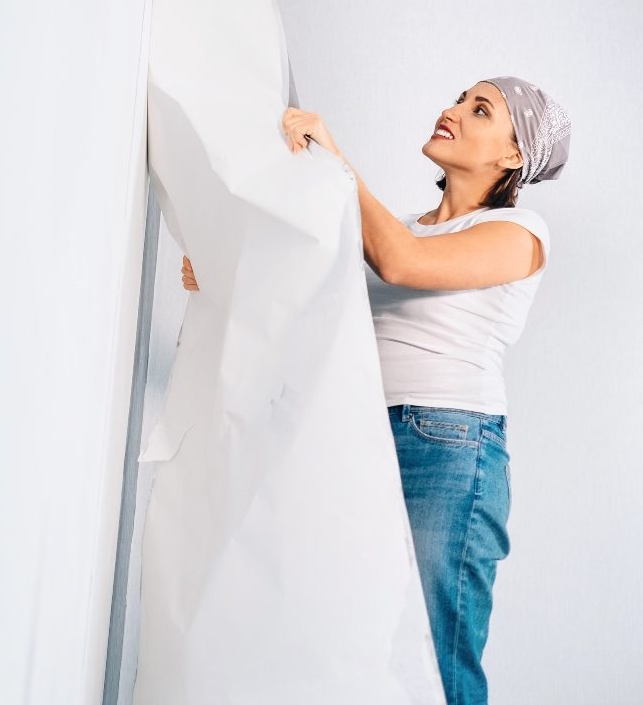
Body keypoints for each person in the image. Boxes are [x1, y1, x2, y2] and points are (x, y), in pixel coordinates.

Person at [179, 76, 571, 705]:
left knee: (434, 660)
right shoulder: (402, 226)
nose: (451, 111)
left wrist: (336, 163)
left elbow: (402, 262)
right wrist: (227, 266)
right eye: (457, 98)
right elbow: (318, 304)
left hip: (447, 449)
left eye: (480, 110)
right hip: (361, 435)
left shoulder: (520, 232)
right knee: (349, 649)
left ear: (513, 155)